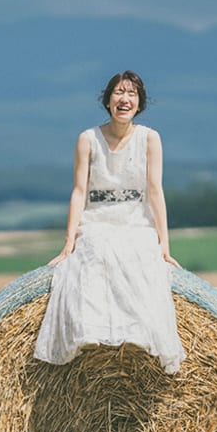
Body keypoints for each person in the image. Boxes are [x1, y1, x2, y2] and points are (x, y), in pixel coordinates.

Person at [34, 70, 186, 374]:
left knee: (139, 254)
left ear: (139, 103)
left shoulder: (150, 139)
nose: (124, 99)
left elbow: (155, 191)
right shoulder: (87, 139)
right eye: (118, 92)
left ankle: (138, 336)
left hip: (136, 219)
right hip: (97, 218)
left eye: (131, 94)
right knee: (94, 250)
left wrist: (164, 244)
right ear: (107, 101)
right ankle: (89, 334)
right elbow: (79, 191)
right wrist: (69, 243)